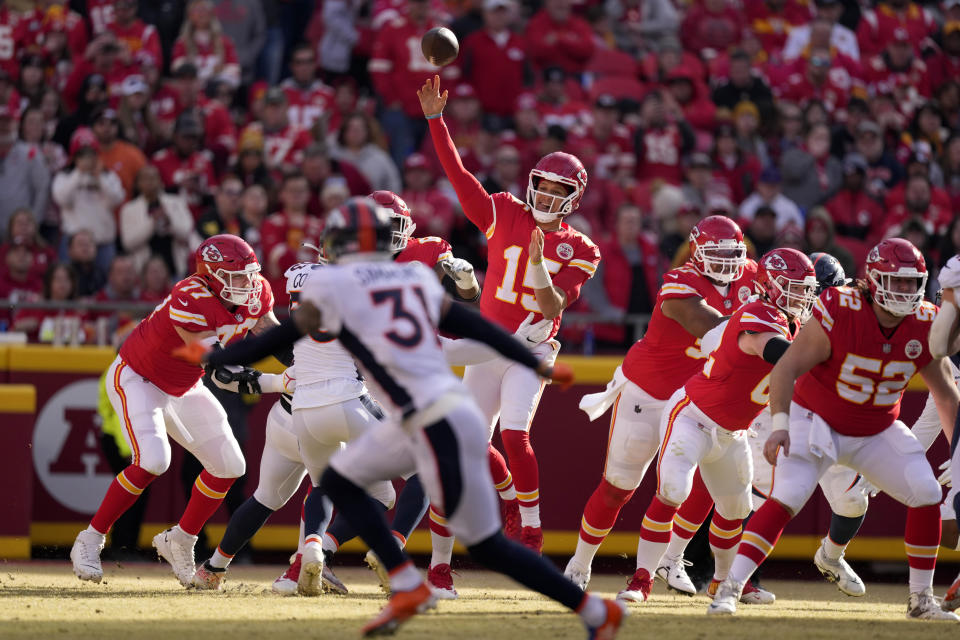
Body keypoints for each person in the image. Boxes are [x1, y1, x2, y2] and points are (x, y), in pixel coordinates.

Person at [175, 197, 626, 638]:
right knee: (343, 482)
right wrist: (528, 356)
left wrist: (216, 358)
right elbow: (474, 330)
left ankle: (588, 608)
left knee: (484, 541)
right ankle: (406, 578)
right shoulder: (408, 281)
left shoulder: (341, 287)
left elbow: (285, 338)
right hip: (413, 413)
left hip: (437, 416)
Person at [708, 238, 959, 621]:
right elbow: (787, 367)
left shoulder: (925, 320)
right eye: (898, 281)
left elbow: (945, 397)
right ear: (874, 279)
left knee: (925, 491)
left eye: (913, 282)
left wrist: (958, 462)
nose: (906, 291)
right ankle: (729, 589)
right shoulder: (841, 307)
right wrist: (779, 425)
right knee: (788, 495)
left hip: (876, 428)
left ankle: (921, 600)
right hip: (816, 419)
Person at [420, 75, 601, 554]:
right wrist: (437, 120)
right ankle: (499, 507)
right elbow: (461, 179)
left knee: (516, 433)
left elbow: (553, 306)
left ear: (573, 197)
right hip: (485, 344)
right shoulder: (504, 210)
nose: (543, 195)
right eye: (540, 185)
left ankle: (532, 525)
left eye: (556, 188)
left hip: (530, 347)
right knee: (466, 443)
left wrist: (541, 265)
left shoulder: (581, 248)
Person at [69, 235, 282, 587]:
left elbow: (272, 334)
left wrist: (308, 366)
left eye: (249, 274)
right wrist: (281, 383)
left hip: (184, 386)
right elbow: (223, 371)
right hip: (139, 378)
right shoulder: (191, 297)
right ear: (212, 276)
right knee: (154, 460)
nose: (247, 284)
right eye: (237, 277)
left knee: (231, 465)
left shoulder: (255, 290)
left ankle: (180, 539)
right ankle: (89, 539)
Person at [566, 215, 757, 593]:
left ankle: (668, 562)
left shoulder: (753, 276)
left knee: (702, 484)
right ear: (695, 253)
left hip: (699, 400)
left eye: (732, 254)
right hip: (650, 393)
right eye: (715, 255)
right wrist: (759, 331)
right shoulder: (679, 281)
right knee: (618, 487)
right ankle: (580, 563)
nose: (725, 263)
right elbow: (706, 324)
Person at [627, 249, 815, 605]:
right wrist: (820, 359)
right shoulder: (760, 313)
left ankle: (723, 584)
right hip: (693, 415)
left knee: (734, 511)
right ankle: (641, 579)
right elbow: (770, 348)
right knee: (673, 488)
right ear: (771, 286)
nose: (802, 297)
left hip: (733, 431)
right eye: (794, 288)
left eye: (806, 290)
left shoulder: (793, 324)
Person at [51, 128, 126, 272]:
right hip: (73, 243)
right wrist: (78, 174)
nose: (87, 159)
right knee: (70, 285)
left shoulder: (108, 176)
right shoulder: (65, 176)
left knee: (104, 286)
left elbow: (117, 199)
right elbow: (62, 199)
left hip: (103, 242)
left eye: (90, 155)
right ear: (74, 157)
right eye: (82, 155)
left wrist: (100, 178)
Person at [119, 165, 195, 277]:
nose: (150, 182)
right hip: (144, 272)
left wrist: (170, 223)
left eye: (153, 178)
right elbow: (128, 243)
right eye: (145, 178)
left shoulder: (177, 202)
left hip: (176, 267)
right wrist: (152, 222)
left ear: (160, 181)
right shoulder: (129, 209)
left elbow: (188, 234)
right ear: (138, 184)